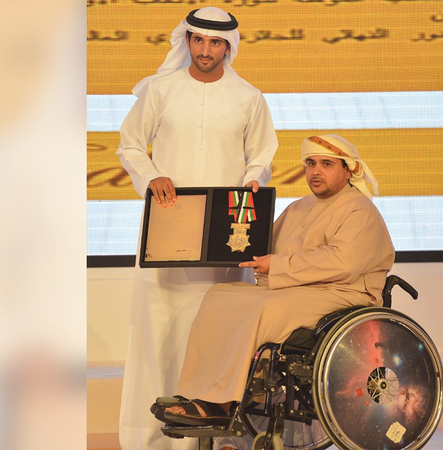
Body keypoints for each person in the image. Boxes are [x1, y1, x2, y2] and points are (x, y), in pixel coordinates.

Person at [115, 7, 278, 450]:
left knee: (216, 335)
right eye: (198, 40)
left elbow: (262, 156)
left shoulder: (249, 97)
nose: (206, 50)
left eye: (215, 42)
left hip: (225, 235)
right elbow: (130, 145)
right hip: (169, 227)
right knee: (160, 333)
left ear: (229, 46)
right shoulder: (160, 90)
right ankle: (151, 440)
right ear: (186, 41)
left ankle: (211, 439)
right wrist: (152, 177)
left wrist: (252, 181)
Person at [159, 134, 394, 427]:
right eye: (310, 163)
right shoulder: (299, 207)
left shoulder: (359, 210)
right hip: (299, 290)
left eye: (326, 164)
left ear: (348, 171)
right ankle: (197, 392)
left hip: (344, 294)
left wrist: (278, 265)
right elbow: (264, 244)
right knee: (219, 297)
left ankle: (221, 402)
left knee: (265, 309)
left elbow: (342, 263)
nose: (316, 171)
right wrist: (221, 237)